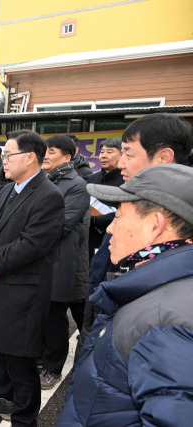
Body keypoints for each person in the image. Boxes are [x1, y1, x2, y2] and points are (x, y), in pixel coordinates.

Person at [58, 164, 193, 426]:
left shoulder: (169, 324)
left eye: (118, 217)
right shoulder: (158, 291)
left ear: (156, 226)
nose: (110, 229)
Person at [0, 129, 65, 426]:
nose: (3, 161)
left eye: (9, 155)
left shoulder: (49, 196)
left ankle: (24, 418)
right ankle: (2, 399)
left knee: (20, 362)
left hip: (22, 292)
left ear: (30, 157)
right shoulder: (9, 188)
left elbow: (32, 245)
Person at [77, 113, 193, 359]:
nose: (121, 164)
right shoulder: (137, 198)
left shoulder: (172, 315)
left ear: (164, 157)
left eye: (128, 154)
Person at [39, 135, 89, 390]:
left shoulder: (77, 185)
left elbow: (65, 223)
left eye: (53, 151)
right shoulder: (42, 180)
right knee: (42, 313)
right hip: (39, 258)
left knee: (56, 316)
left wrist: (31, 228)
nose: (46, 155)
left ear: (67, 157)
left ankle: (53, 367)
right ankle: (43, 356)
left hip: (60, 260)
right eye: (45, 150)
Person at [85, 137, 124, 259]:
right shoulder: (91, 179)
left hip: (115, 237)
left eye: (109, 152)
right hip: (90, 236)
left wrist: (98, 220)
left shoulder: (127, 180)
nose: (103, 156)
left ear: (122, 155)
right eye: (102, 152)